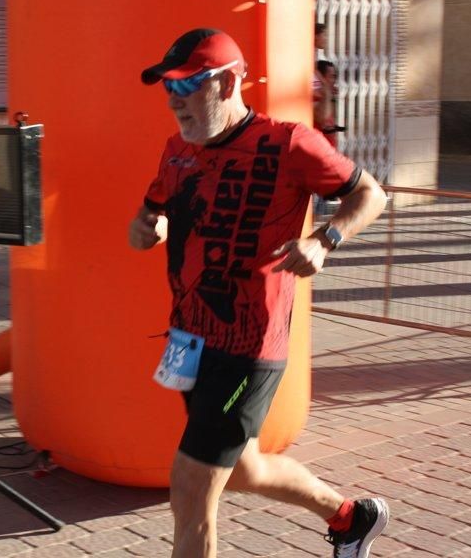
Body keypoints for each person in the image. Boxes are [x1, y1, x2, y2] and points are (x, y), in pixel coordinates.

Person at [129, 28, 389, 558]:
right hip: (190, 338)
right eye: (168, 90)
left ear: (227, 83)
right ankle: (351, 517)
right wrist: (147, 227)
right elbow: (153, 209)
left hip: (247, 347)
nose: (175, 102)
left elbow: (370, 193)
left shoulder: (287, 143)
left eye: (187, 87)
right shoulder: (177, 150)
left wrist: (325, 239)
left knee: (191, 485)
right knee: (243, 469)